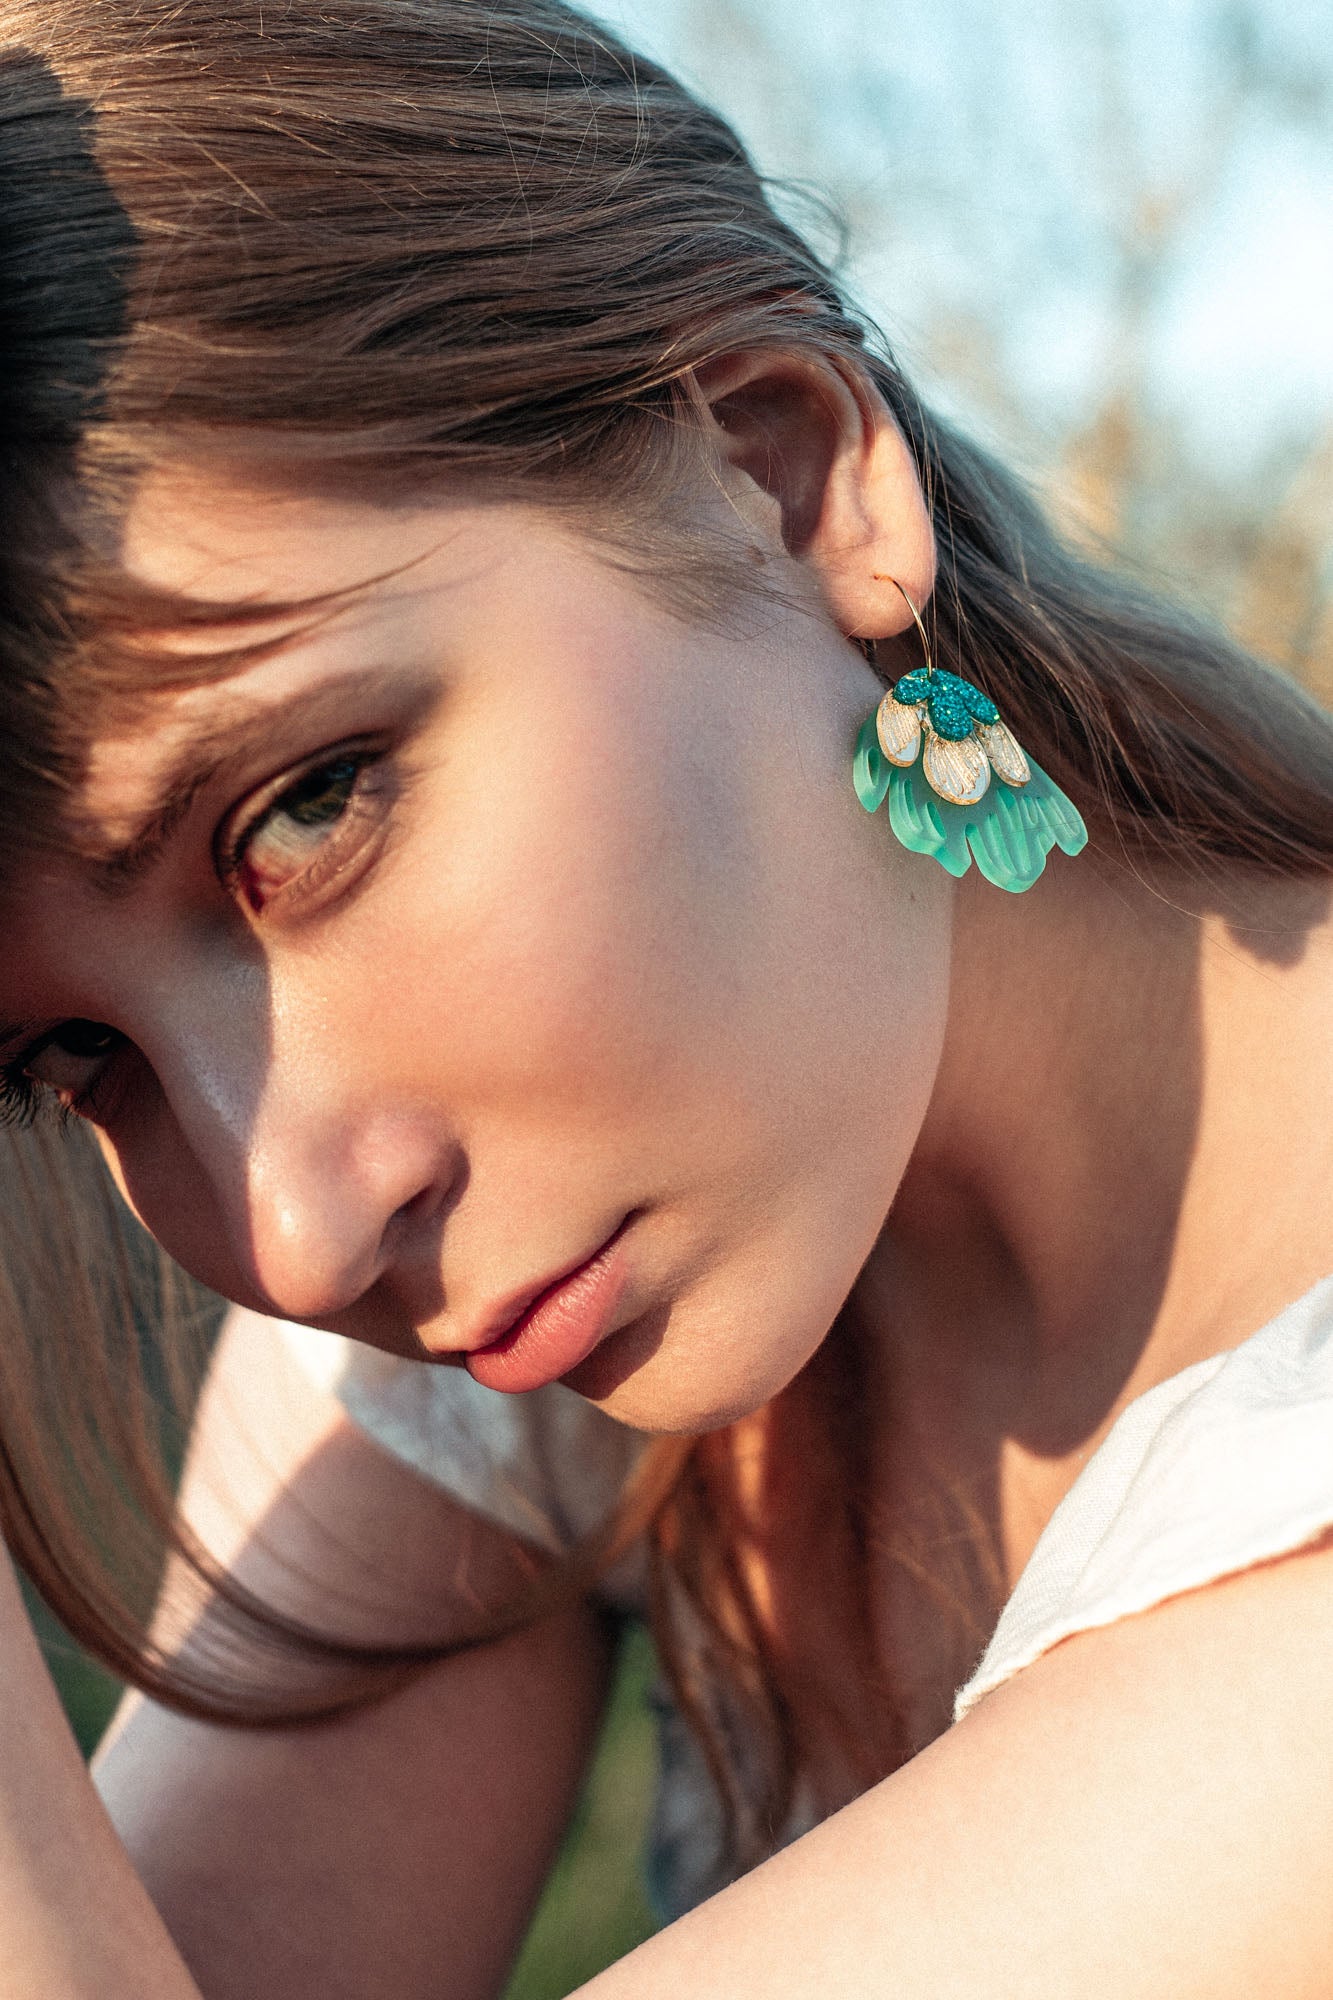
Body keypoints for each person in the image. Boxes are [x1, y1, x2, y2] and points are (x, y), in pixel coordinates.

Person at [0, 0, 1330, 1993]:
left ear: (791, 482)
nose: (288, 1222)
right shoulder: (566, 1252)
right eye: (69, 1060)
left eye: (305, 814)